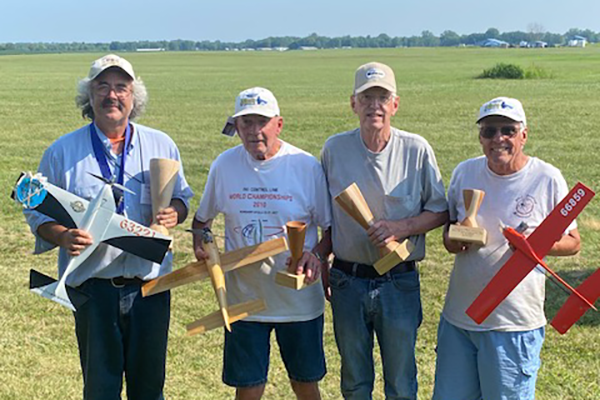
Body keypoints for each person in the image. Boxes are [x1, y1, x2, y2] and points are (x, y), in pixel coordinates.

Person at [23, 54, 194, 400]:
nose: (111, 95)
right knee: (100, 390)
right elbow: (36, 211)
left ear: (134, 96)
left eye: (121, 87)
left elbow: (182, 198)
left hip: (150, 287)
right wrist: (62, 236)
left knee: (149, 389)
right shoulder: (62, 151)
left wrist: (175, 212)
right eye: (102, 86)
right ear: (89, 95)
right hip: (93, 288)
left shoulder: (161, 144)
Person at [433, 97, 581, 400]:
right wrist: (454, 240)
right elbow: (449, 233)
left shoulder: (546, 178)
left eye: (507, 130)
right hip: (459, 320)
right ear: (480, 137)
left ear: (524, 135)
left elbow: (573, 243)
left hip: (512, 324)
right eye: (488, 131)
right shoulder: (464, 172)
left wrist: (537, 243)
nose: (498, 139)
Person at [192, 87, 331, 400]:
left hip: (298, 303)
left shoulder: (305, 166)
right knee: (249, 388)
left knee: (306, 384)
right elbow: (202, 224)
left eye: (262, 122)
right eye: (246, 123)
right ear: (236, 127)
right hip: (244, 302)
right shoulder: (224, 165)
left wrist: (315, 256)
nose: (254, 131)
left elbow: (330, 229)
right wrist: (204, 245)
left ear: (278, 124)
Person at [320, 62, 448, 399]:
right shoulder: (334, 149)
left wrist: (400, 227)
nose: (374, 105)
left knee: (402, 380)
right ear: (353, 104)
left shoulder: (416, 149)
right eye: (366, 97)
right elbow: (326, 217)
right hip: (347, 280)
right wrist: (321, 259)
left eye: (382, 97)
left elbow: (440, 210)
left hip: (399, 281)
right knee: (354, 379)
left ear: (395, 104)